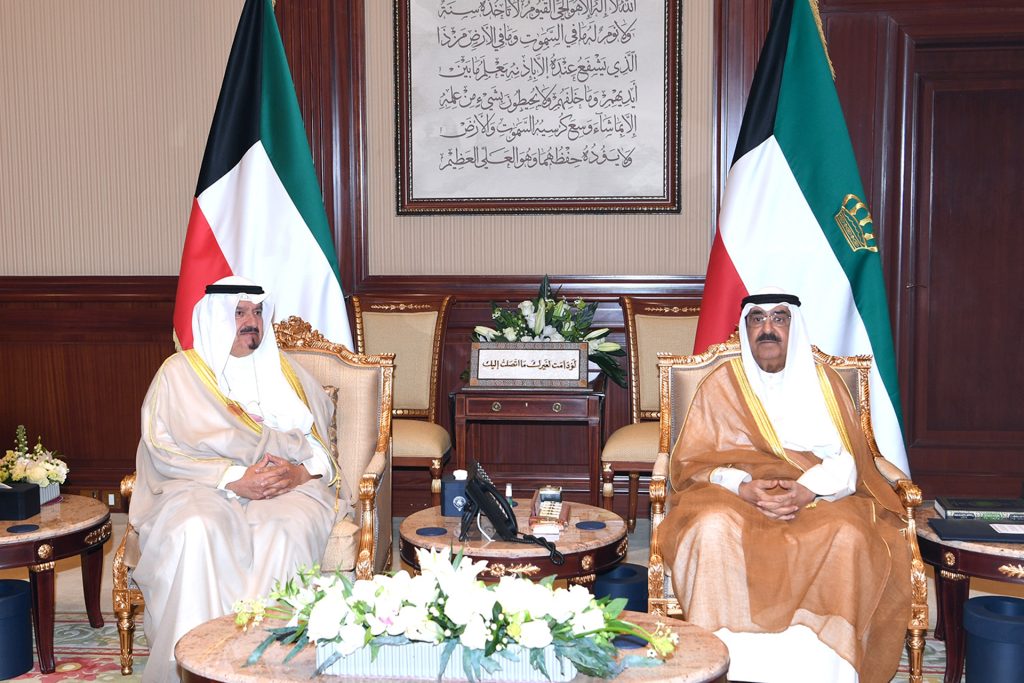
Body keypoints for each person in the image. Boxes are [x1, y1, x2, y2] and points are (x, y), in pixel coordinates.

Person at [658, 288, 911, 683]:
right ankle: (725, 664)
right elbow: (693, 461)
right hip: (733, 495)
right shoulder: (721, 383)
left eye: (779, 318)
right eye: (757, 319)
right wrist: (742, 485)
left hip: (818, 494)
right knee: (710, 528)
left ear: (795, 326)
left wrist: (809, 488)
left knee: (849, 535)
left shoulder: (826, 384)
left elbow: (851, 457)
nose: (768, 328)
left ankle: (825, 669)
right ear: (745, 329)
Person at [129, 276, 344, 682]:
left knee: (285, 532)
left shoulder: (287, 373)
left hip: (285, 485)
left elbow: (321, 449)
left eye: (258, 312)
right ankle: (199, 663)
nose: (252, 322)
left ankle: (271, 665)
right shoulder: (178, 374)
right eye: (240, 312)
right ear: (214, 317)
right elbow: (162, 448)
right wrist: (232, 479)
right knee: (197, 529)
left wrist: (298, 473)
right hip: (200, 483)